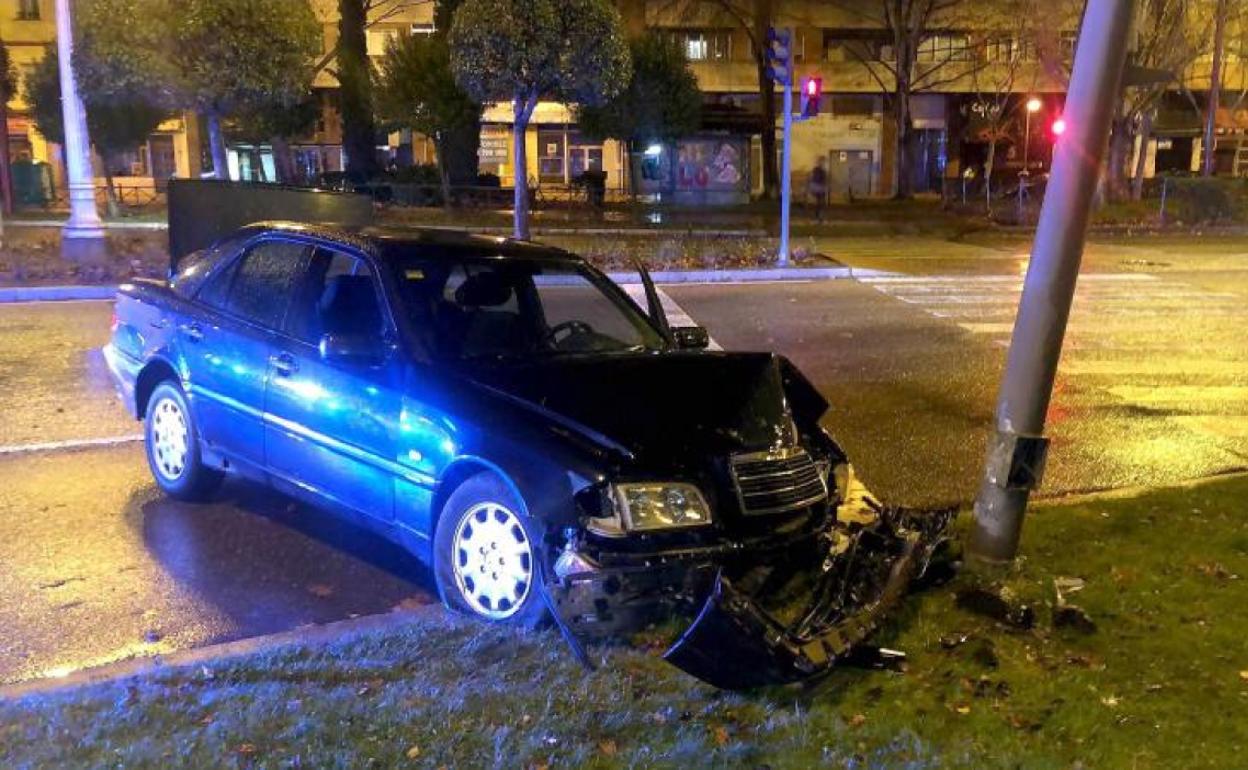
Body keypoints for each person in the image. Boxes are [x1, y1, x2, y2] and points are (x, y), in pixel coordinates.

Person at [808, 157, 828, 222]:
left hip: (820, 188)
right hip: (818, 188)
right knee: (820, 203)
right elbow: (815, 179)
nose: (823, 163)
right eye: (822, 162)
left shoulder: (822, 170)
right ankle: (818, 217)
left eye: (823, 162)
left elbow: (823, 180)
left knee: (820, 203)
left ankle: (819, 217)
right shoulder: (817, 170)